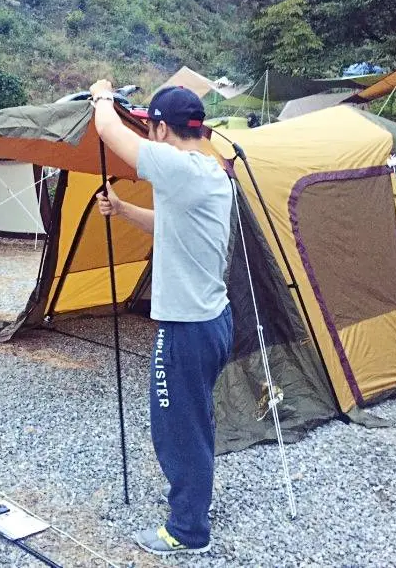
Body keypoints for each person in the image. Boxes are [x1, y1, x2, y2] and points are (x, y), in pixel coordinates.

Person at [90, 81, 234, 556]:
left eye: (149, 128)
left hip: (186, 329)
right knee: (195, 420)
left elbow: (108, 130)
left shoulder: (175, 165)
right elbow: (170, 224)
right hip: (213, 321)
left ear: (159, 128)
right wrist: (122, 209)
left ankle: (187, 530)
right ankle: (194, 503)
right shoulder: (209, 170)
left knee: (176, 429)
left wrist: (102, 96)